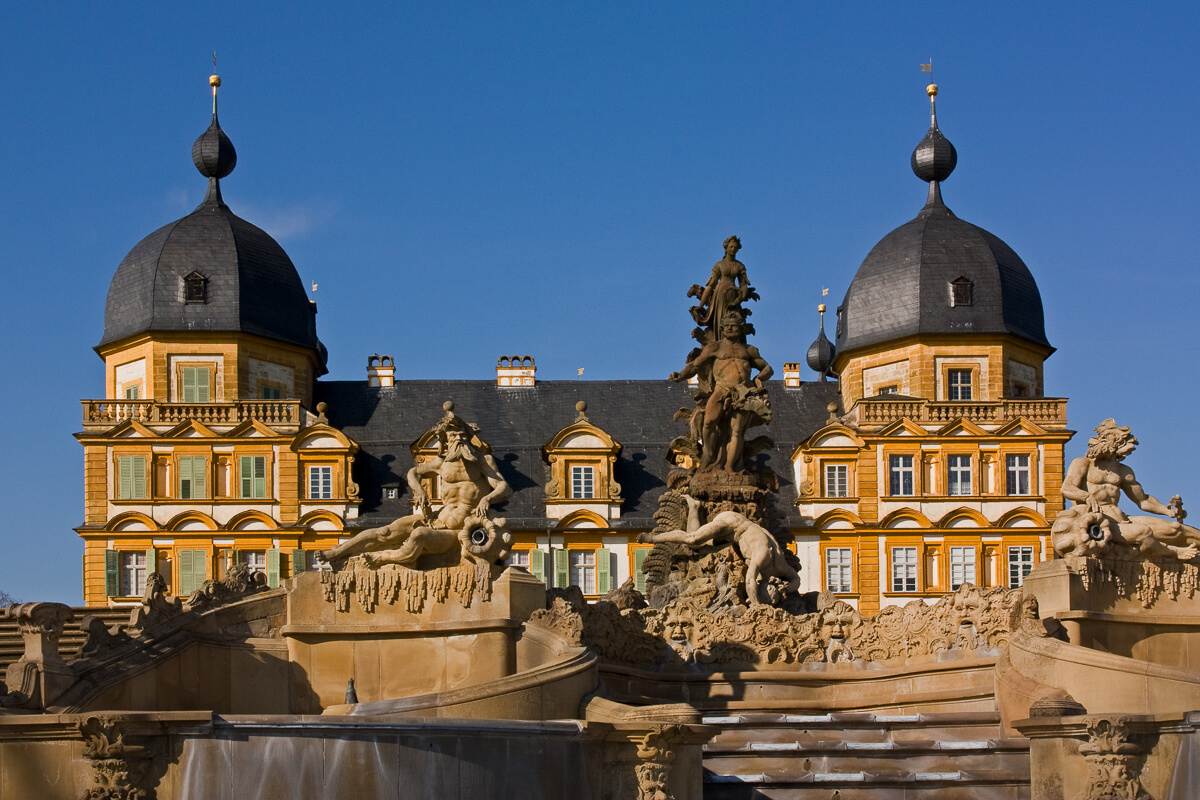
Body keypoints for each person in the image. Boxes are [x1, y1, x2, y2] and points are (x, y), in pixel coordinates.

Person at [318, 403, 512, 567]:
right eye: (453, 436)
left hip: (458, 531)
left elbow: (504, 488)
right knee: (386, 532)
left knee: (419, 534)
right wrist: (419, 491)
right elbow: (413, 473)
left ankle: (383, 558)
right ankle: (338, 553)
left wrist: (487, 499)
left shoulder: (482, 461)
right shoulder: (441, 463)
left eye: (462, 435)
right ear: (446, 441)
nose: (459, 440)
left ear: (468, 437)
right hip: (437, 519)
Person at [1060, 419, 1198, 560]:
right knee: (1143, 531)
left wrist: (1167, 511)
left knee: (1176, 529)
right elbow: (1067, 488)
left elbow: (1143, 500)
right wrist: (1086, 496)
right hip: (1098, 522)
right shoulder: (1083, 463)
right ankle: (1175, 552)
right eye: (1122, 443)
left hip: (1121, 519)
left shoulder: (1123, 470)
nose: (1127, 450)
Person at [639, 494, 799, 605]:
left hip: (733, 537)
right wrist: (757, 607)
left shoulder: (781, 567)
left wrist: (793, 585)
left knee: (697, 546)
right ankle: (653, 537)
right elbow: (750, 581)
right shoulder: (763, 557)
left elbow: (796, 578)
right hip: (732, 523)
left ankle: (695, 507)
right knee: (693, 539)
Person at [670, 314, 773, 472]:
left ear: (741, 328)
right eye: (727, 326)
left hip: (742, 393)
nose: (730, 328)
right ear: (722, 328)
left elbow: (768, 369)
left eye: (734, 325)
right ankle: (709, 456)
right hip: (721, 390)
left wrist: (757, 380)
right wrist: (681, 375)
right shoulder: (715, 348)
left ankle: (730, 467)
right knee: (708, 423)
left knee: (736, 431)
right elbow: (695, 365)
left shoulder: (749, 350)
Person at [689, 235, 758, 334]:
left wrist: (739, 299)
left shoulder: (740, 266)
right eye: (731, 247)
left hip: (734, 296)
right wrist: (700, 306)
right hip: (720, 295)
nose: (733, 249)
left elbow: (743, 285)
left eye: (735, 247)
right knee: (720, 319)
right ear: (726, 248)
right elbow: (710, 286)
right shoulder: (719, 265)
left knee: (735, 320)